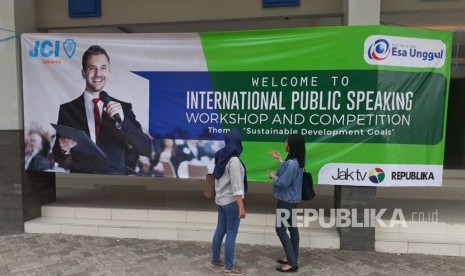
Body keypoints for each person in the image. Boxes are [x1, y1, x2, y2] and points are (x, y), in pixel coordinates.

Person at [52, 45, 152, 174]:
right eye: (92, 68)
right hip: (80, 182)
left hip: (114, 184)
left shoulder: (124, 108)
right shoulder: (67, 109)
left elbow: (145, 149)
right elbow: (57, 157)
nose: (98, 74)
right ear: (83, 73)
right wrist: (63, 149)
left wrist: (123, 122)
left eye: (103, 68)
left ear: (109, 72)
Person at [210, 129, 247, 276]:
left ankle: (215, 261)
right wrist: (241, 207)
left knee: (220, 231)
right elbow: (237, 187)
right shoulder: (234, 161)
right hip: (231, 202)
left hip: (220, 200)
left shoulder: (221, 155)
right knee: (231, 233)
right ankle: (229, 268)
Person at [268, 134, 305, 273]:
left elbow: (283, 182)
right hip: (293, 200)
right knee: (292, 228)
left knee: (280, 229)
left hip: (286, 201)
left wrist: (273, 177)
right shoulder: (296, 161)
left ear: (291, 145)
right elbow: (288, 174)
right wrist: (279, 159)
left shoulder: (292, 163)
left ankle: (292, 262)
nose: (284, 143)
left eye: (286, 141)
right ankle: (293, 256)